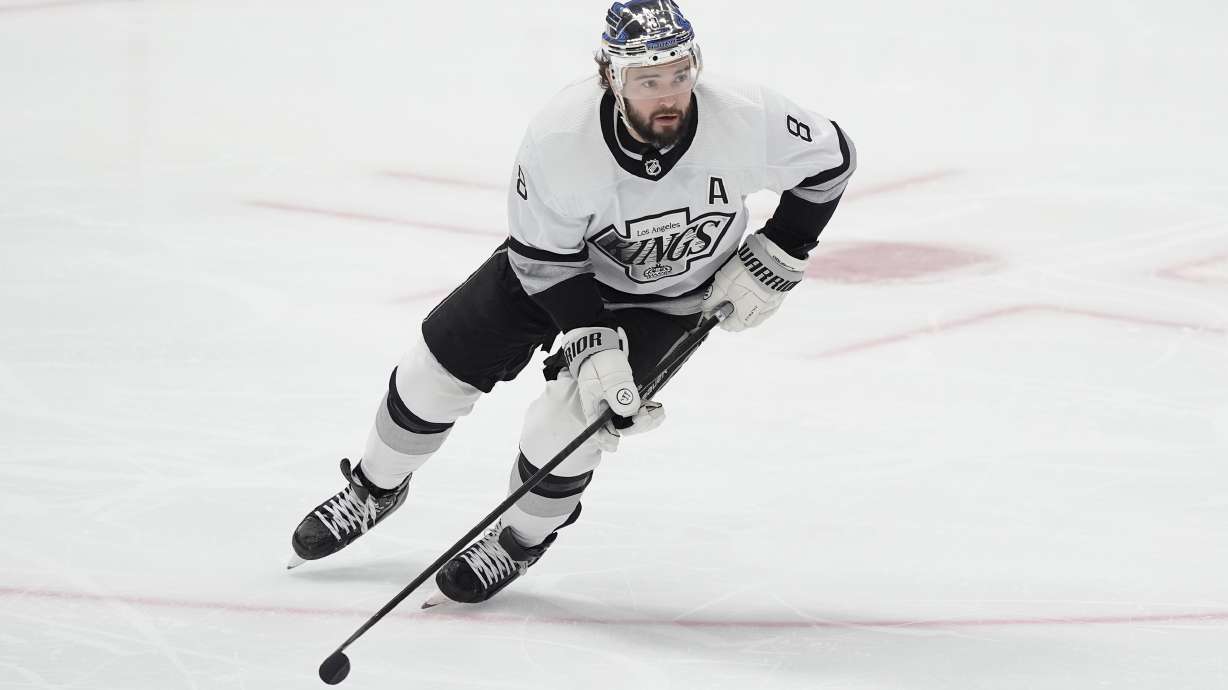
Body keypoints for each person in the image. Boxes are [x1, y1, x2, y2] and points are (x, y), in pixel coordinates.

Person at [287, 0, 856, 605]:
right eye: (647, 79)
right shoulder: (561, 137)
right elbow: (542, 258)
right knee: (434, 369)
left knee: (572, 426)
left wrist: (784, 248)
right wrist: (591, 340)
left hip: (668, 299)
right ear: (610, 76)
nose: (669, 94)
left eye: (679, 73)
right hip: (555, 273)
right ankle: (376, 487)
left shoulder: (746, 115)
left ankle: (517, 541)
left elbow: (832, 162)